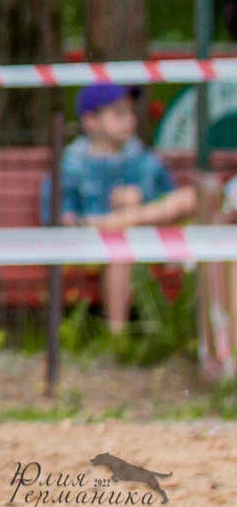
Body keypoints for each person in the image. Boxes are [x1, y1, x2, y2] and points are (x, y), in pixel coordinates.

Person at [57, 82, 195, 332]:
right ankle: (117, 339)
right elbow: (61, 219)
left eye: (130, 113)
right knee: (119, 247)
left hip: (147, 239)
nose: (128, 121)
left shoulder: (144, 158)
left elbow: (174, 202)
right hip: (93, 247)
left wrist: (138, 203)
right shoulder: (71, 164)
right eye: (118, 113)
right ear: (91, 120)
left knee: (190, 199)